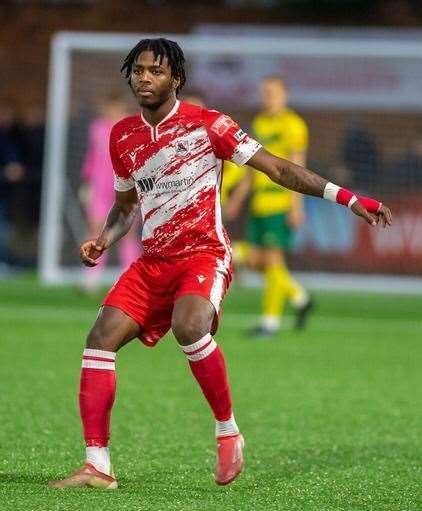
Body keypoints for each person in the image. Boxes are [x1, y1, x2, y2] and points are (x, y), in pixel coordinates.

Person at [48, 38, 392, 490]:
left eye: (155, 70)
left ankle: (227, 431)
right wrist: (104, 238)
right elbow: (125, 206)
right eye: (138, 71)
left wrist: (346, 198)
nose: (145, 78)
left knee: (189, 326)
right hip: (153, 262)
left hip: (203, 254)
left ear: (177, 79)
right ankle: (98, 466)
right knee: (98, 341)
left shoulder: (210, 125)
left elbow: (277, 168)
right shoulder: (123, 136)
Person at [225, 76, 312, 336]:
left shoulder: (294, 125)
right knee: (257, 261)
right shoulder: (260, 123)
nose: (268, 97)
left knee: (272, 259)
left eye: (273, 92)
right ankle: (300, 298)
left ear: (285, 95)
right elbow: (254, 167)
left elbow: (299, 168)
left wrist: (297, 206)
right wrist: (238, 198)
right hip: (259, 204)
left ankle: (270, 322)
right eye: (265, 92)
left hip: (281, 202)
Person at [80, 92, 140, 291]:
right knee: (97, 230)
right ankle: (91, 278)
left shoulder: (132, 128)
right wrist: (87, 182)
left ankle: (129, 278)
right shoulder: (97, 128)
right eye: (109, 108)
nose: (112, 112)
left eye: (117, 108)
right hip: (100, 186)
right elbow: (92, 156)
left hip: (126, 187)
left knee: (128, 232)